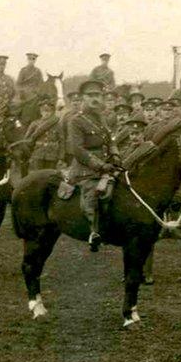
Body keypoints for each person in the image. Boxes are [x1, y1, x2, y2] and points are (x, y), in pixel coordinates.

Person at [62, 80, 116, 250]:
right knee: (93, 193)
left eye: (98, 95)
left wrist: (116, 156)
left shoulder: (102, 118)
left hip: (107, 165)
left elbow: (111, 140)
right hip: (86, 169)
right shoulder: (75, 121)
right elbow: (77, 149)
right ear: (83, 98)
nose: (95, 99)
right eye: (90, 95)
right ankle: (93, 232)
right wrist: (99, 165)